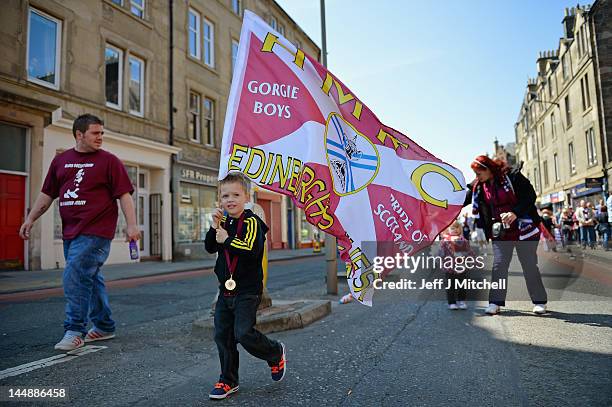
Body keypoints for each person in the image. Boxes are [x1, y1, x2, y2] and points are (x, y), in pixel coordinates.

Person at [19, 114, 139, 351]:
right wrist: (31, 218)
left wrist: (132, 224)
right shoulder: (61, 161)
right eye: (95, 133)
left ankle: (75, 329)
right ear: (79, 134)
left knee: (75, 274)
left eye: (102, 133)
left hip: (96, 231)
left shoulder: (109, 161)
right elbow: (48, 194)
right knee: (90, 278)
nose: (100, 138)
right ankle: (104, 326)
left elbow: (124, 194)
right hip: (71, 232)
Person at [205, 172, 286, 400]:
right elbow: (210, 247)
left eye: (235, 195)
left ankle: (274, 352)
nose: (230, 200)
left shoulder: (252, 222)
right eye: (225, 195)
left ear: (246, 197)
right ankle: (228, 380)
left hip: (247, 291)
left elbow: (250, 249)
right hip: (226, 290)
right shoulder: (223, 222)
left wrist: (227, 239)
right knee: (223, 336)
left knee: (243, 333)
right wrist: (214, 227)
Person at [464, 155, 547, 315]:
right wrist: (443, 206)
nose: (476, 177)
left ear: (488, 169)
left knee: (529, 265)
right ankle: (495, 303)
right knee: (499, 266)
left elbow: (530, 196)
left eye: (478, 173)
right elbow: (464, 198)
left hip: (524, 228)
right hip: (501, 231)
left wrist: (515, 213)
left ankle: (539, 302)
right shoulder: (479, 185)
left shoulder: (512, 176)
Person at [439, 220, 473, 310]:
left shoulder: (463, 240)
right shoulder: (445, 241)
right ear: (448, 230)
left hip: (461, 266)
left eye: (457, 227)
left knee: (462, 285)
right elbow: (441, 253)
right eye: (452, 228)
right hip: (449, 268)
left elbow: (469, 251)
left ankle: (462, 301)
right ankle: (452, 302)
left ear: (460, 229)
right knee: (451, 286)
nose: (455, 230)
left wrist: (470, 258)